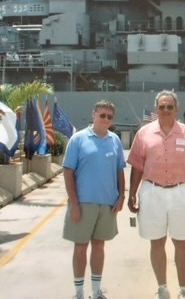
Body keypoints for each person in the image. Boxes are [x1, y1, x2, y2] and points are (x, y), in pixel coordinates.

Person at [127, 90, 185, 299]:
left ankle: (183, 290)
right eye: (161, 106)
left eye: (169, 106)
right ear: (156, 109)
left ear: (176, 109)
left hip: (181, 192)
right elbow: (136, 167)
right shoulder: (143, 133)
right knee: (157, 242)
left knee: (182, 242)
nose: (165, 110)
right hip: (152, 191)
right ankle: (162, 289)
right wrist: (132, 194)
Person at [63, 99, 126, 299]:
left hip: (107, 204)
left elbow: (119, 171)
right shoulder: (78, 139)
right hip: (83, 203)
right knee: (81, 247)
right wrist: (74, 203)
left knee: (99, 246)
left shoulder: (114, 140)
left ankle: (96, 291)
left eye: (109, 116)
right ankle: (79, 293)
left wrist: (121, 195)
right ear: (94, 115)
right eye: (102, 115)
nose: (105, 119)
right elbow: (68, 172)